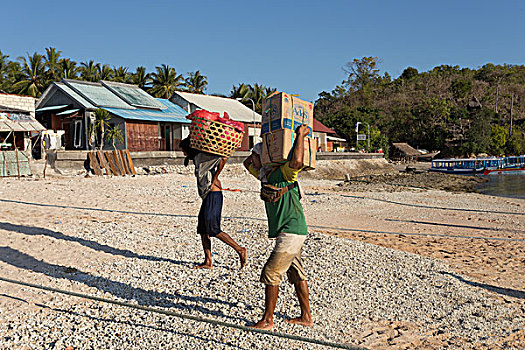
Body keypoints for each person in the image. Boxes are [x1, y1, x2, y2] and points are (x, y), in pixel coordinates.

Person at [243, 124, 313, 330]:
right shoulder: (264, 176)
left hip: (292, 231)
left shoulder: (284, 173)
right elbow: (247, 163)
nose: (252, 159)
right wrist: (264, 149)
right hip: (289, 230)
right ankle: (306, 317)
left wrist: (299, 135)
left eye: (255, 155)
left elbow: (298, 161)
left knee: (271, 273)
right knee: (296, 273)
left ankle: (267, 320)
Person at [180, 137, 247, 270]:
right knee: (203, 229)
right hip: (207, 196)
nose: (184, 154)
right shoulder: (197, 158)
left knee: (213, 228)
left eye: (184, 151)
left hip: (213, 194)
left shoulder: (204, 156)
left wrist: (215, 177)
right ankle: (208, 261)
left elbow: (223, 158)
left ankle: (240, 250)